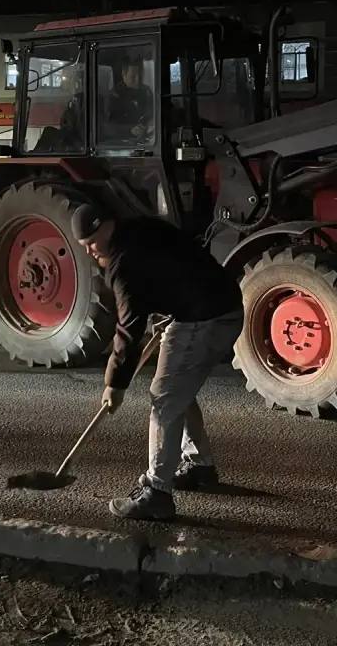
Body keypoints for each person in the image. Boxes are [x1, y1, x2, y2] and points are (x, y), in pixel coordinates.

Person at [72, 204, 243, 521]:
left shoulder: (123, 263)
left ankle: (156, 493)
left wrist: (115, 384)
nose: (89, 250)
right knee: (179, 388)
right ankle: (199, 465)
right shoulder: (142, 228)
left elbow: (128, 329)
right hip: (222, 306)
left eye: (91, 241)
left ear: (108, 225)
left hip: (205, 319)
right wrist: (173, 306)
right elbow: (178, 267)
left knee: (164, 397)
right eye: (83, 245)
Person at [103, 56, 153, 144]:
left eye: (140, 76)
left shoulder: (146, 91)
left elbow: (152, 111)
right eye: (133, 77)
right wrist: (130, 130)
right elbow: (108, 127)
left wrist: (151, 123)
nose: (137, 80)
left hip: (148, 139)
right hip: (123, 143)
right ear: (124, 75)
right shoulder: (114, 96)